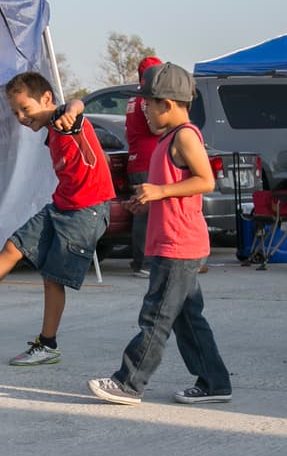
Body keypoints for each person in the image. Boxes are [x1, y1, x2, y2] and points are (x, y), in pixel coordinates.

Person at [0, 71, 114, 366]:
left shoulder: (64, 122)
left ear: (47, 99)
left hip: (86, 210)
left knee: (53, 278)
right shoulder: (52, 130)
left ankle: (47, 345)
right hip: (62, 205)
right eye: (15, 112)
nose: (21, 117)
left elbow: (76, 107)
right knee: (13, 247)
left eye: (25, 109)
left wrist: (72, 110)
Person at [87, 62, 231, 406]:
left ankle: (129, 383)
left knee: (156, 317)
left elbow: (205, 180)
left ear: (167, 104)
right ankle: (215, 382)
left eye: (147, 105)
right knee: (186, 318)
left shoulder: (184, 135)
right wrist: (147, 200)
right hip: (174, 241)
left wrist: (160, 192)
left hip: (179, 244)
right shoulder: (167, 138)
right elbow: (171, 186)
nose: (143, 111)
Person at [126, 55, 163, 277]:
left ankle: (140, 260)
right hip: (147, 162)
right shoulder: (145, 99)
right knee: (146, 214)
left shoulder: (133, 99)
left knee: (142, 213)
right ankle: (145, 263)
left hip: (137, 160)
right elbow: (156, 129)